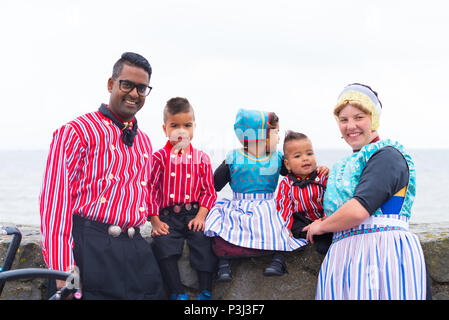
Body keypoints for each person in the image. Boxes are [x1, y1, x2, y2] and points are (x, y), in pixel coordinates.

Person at [39, 52, 165, 300]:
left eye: (142, 88)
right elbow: (55, 207)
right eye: (127, 84)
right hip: (92, 250)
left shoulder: (144, 141)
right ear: (111, 84)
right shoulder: (75, 131)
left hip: (138, 252)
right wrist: (66, 277)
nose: (134, 94)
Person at [303, 83, 428, 299]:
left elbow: (359, 210)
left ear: (374, 119)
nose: (351, 126)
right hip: (347, 257)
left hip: (382, 255)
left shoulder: (388, 156)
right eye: (344, 120)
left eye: (359, 117)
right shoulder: (349, 162)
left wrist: (321, 226)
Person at [204, 108, 314, 281]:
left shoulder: (237, 157)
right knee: (277, 225)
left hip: (243, 206)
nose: (279, 138)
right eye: (276, 132)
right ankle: (276, 260)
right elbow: (297, 175)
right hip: (266, 208)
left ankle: (224, 265)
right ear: (261, 136)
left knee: (222, 223)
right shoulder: (275, 158)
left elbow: (214, 185)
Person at [149, 97, 217, 300]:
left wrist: (201, 217)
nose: (181, 131)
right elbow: (149, 190)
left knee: (203, 241)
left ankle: (205, 291)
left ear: (194, 127)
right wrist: (155, 221)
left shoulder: (202, 158)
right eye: (174, 126)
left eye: (187, 125)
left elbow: (209, 191)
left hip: (194, 213)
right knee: (163, 244)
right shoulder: (159, 158)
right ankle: (177, 293)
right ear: (165, 129)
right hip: (167, 215)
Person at [275, 131, 332, 258]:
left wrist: (324, 221)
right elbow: (284, 207)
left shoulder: (322, 176)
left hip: (323, 218)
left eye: (309, 153)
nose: (305, 158)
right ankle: (306, 235)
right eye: (297, 156)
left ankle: (324, 237)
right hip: (303, 219)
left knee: (332, 225)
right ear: (287, 164)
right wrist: (287, 228)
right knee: (296, 226)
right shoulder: (287, 183)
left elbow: (332, 199)